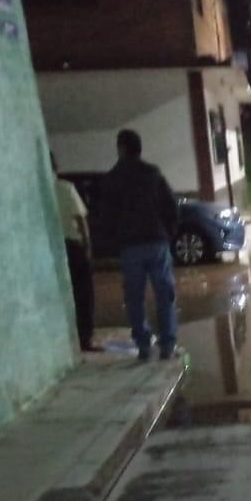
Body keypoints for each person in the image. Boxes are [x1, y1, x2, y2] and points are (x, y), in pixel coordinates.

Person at [100, 129, 179, 360]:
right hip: (156, 242)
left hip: (130, 246)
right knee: (164, 294)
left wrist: (114, 244)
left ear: (121, 148)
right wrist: (168, 234)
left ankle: (143, 345)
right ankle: (167, 344)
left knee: (134, 298)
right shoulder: (153, 174)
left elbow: (106, 216)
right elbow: (171, 206)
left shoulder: (112, 179)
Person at [52, 153, 100, 352]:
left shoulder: (40, 191)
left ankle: (65, 340)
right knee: (83, 294)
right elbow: (80, 220)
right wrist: (87, 246)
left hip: (51, 249)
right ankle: (85, 339)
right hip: (72, 247)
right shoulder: (65, 188)